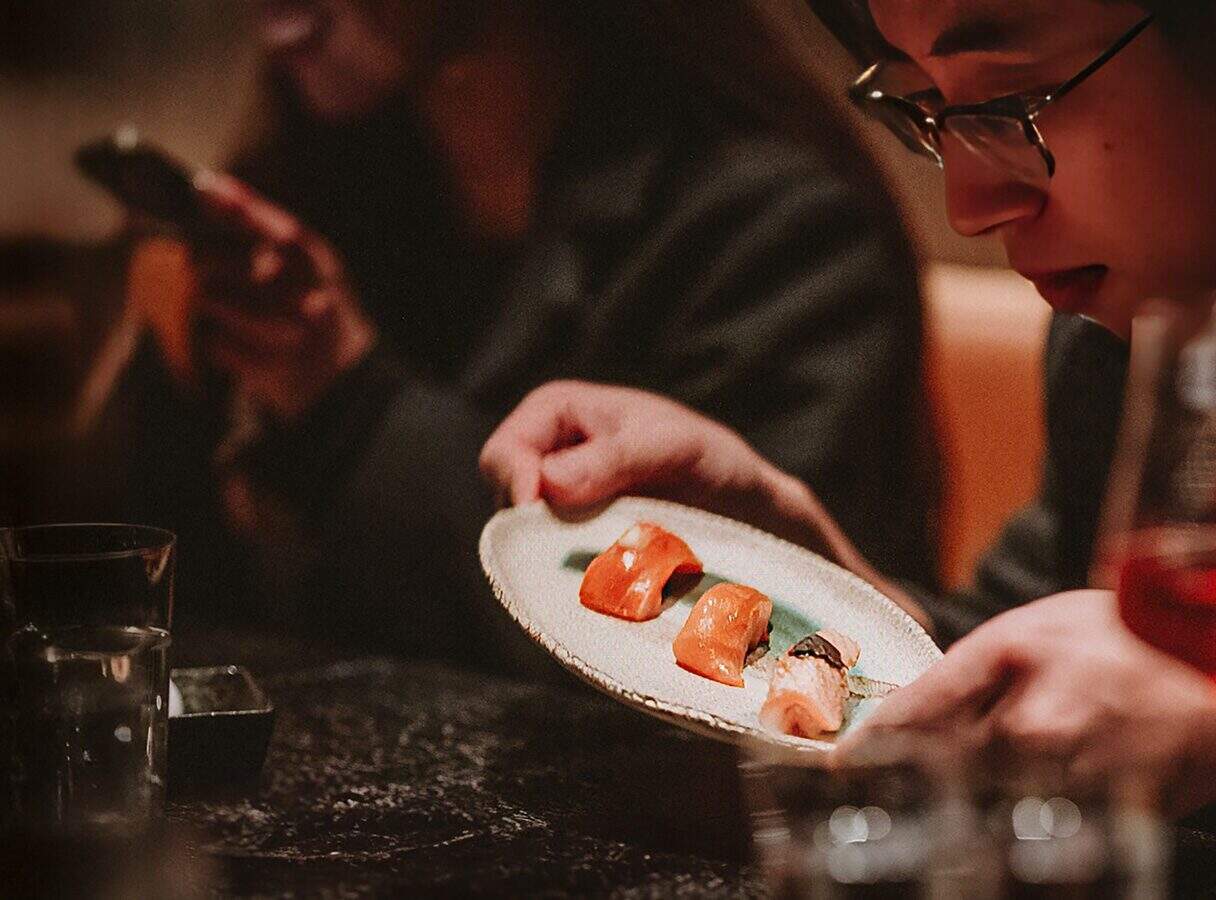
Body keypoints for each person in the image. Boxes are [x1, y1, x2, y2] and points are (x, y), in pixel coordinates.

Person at [480, 0, 1216, 890]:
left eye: (1011, 98)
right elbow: (1047, 672)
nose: (966, 201)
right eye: (926, 108)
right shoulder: (1132, 320)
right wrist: (798, 557)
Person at [113, 0, 939, 664]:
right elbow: (197, 604)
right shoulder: (327, 184)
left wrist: (346, 401)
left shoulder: (777, 228)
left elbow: (715, 653)